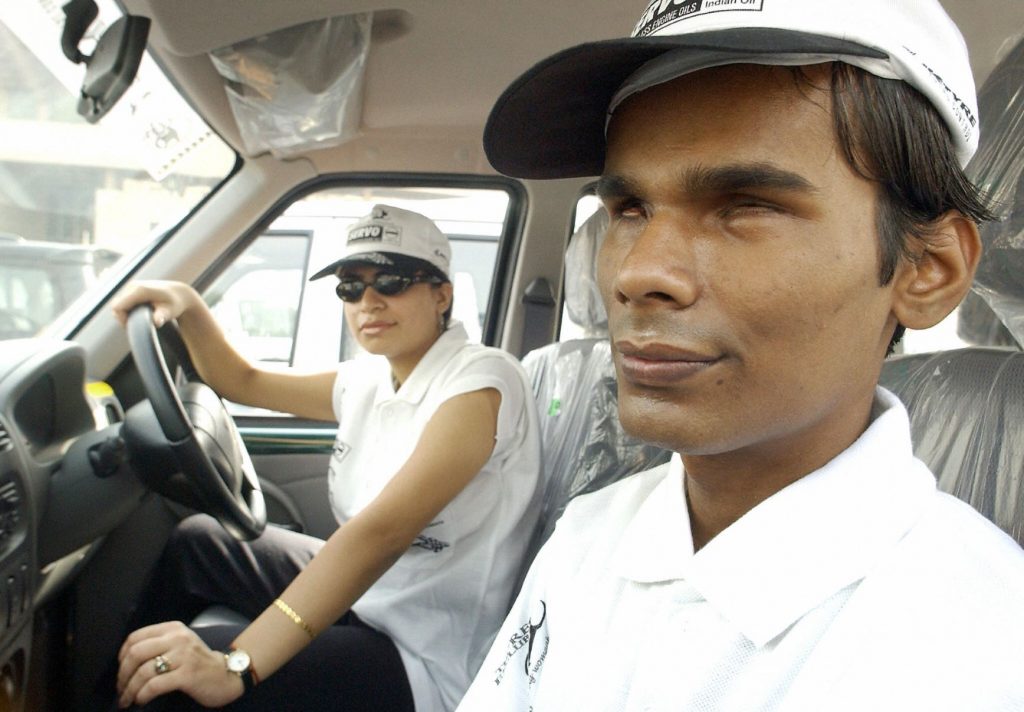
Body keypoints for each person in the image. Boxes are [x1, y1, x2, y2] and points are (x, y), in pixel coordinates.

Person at [457, 0, 1024, 710]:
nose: (637, 273)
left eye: (747, 204)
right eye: (629, 209)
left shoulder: (984, 655)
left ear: (928, 268)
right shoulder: (592, 533)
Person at [110, 204, 542, 712]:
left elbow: (380, 534)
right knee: (198, 541)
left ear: (441, 294)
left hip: (424, 647)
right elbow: (243, 382)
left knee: (178, 683)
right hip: (374, 595)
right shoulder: (370, 378)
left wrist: (236, 664)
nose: (369, 301)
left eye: (392, 281)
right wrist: (186, 302)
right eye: (350, 287)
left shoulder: (481, 382)